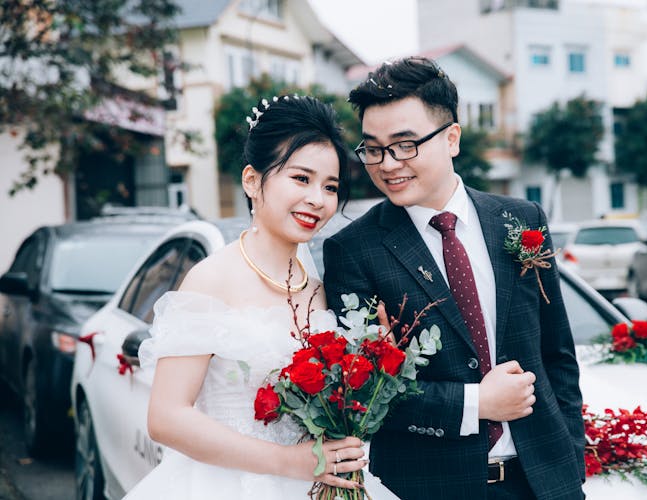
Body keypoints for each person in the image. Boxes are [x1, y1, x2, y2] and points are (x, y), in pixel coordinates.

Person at [324, 57, 585, 499]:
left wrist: (571, 461)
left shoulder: (521, 220)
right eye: (373, 148)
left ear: (452, 138)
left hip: (543, 481)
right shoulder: (354, 250)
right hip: (427, 487)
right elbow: (365, 390)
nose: (388, 164)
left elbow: (557, 354)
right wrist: (476, 404)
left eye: (405, 144)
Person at [125, 95, 398, 499]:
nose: (318, 200)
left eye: (330, 187)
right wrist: (286, 462)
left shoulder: (317, 286)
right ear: (252, 180)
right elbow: (166, 418)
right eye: (301, 179)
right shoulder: (210, 279)